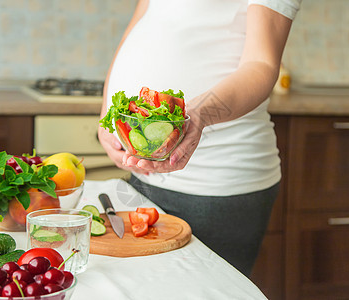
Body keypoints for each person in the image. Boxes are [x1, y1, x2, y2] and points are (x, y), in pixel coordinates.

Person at [98, 0, 301, 277]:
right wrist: (106, 114)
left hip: (215, 181)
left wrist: (198, 115)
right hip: (145, 176)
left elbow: (262, 64)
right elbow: (139, 26)